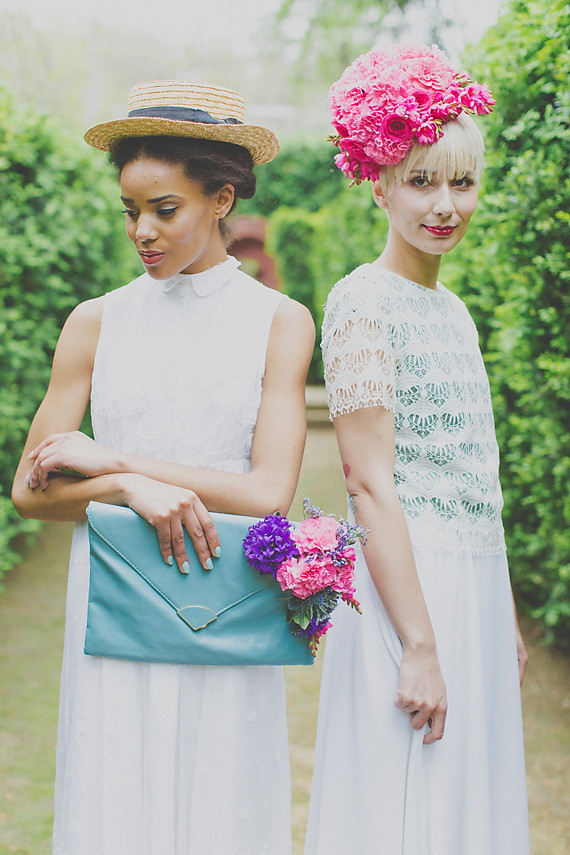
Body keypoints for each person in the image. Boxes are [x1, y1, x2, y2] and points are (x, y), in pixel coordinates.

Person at [11, 80, 315, 854]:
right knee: (116, 804)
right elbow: (30, 493)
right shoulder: (94, 321)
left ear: (221, 199)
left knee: (220, 811)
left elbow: (268, 491)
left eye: (164, 209)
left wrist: (114, 455)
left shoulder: (279, 323)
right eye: (130, 210)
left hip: (224, 611)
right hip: (113, 611)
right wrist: (124, 488)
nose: (141, 231)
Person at [304, 45, 530, 854]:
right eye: (421, 181)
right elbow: (369, 484)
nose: (445, 205)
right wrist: (421, 645)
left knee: (466, 803)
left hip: (474, 580)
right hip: (409, 584)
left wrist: (502, 610)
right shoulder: (361, 301)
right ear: (380, 185)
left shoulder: (458, 312)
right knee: (403, 804)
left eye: (462, 183)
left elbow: (475, 475)